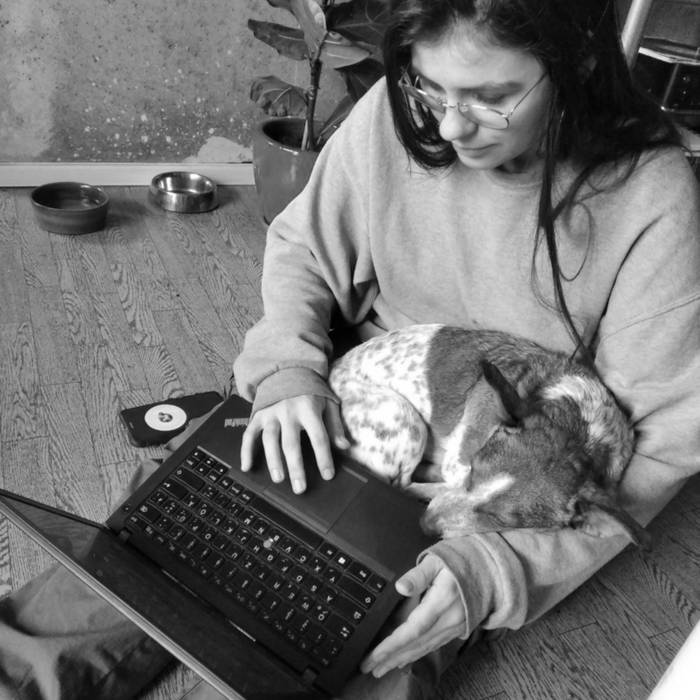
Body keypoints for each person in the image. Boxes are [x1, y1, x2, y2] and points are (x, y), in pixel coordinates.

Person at [0, 0, 698, 698]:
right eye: (433, 88)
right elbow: (303, 247)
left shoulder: (653, 195)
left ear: (578, 63)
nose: (449, 127)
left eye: (490, 97)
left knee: (359, 651)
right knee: (168, 534)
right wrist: (287, 373)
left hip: (510, 479)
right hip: (352, 389)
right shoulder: (397, 112)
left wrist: (497, 571)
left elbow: (663, 444)